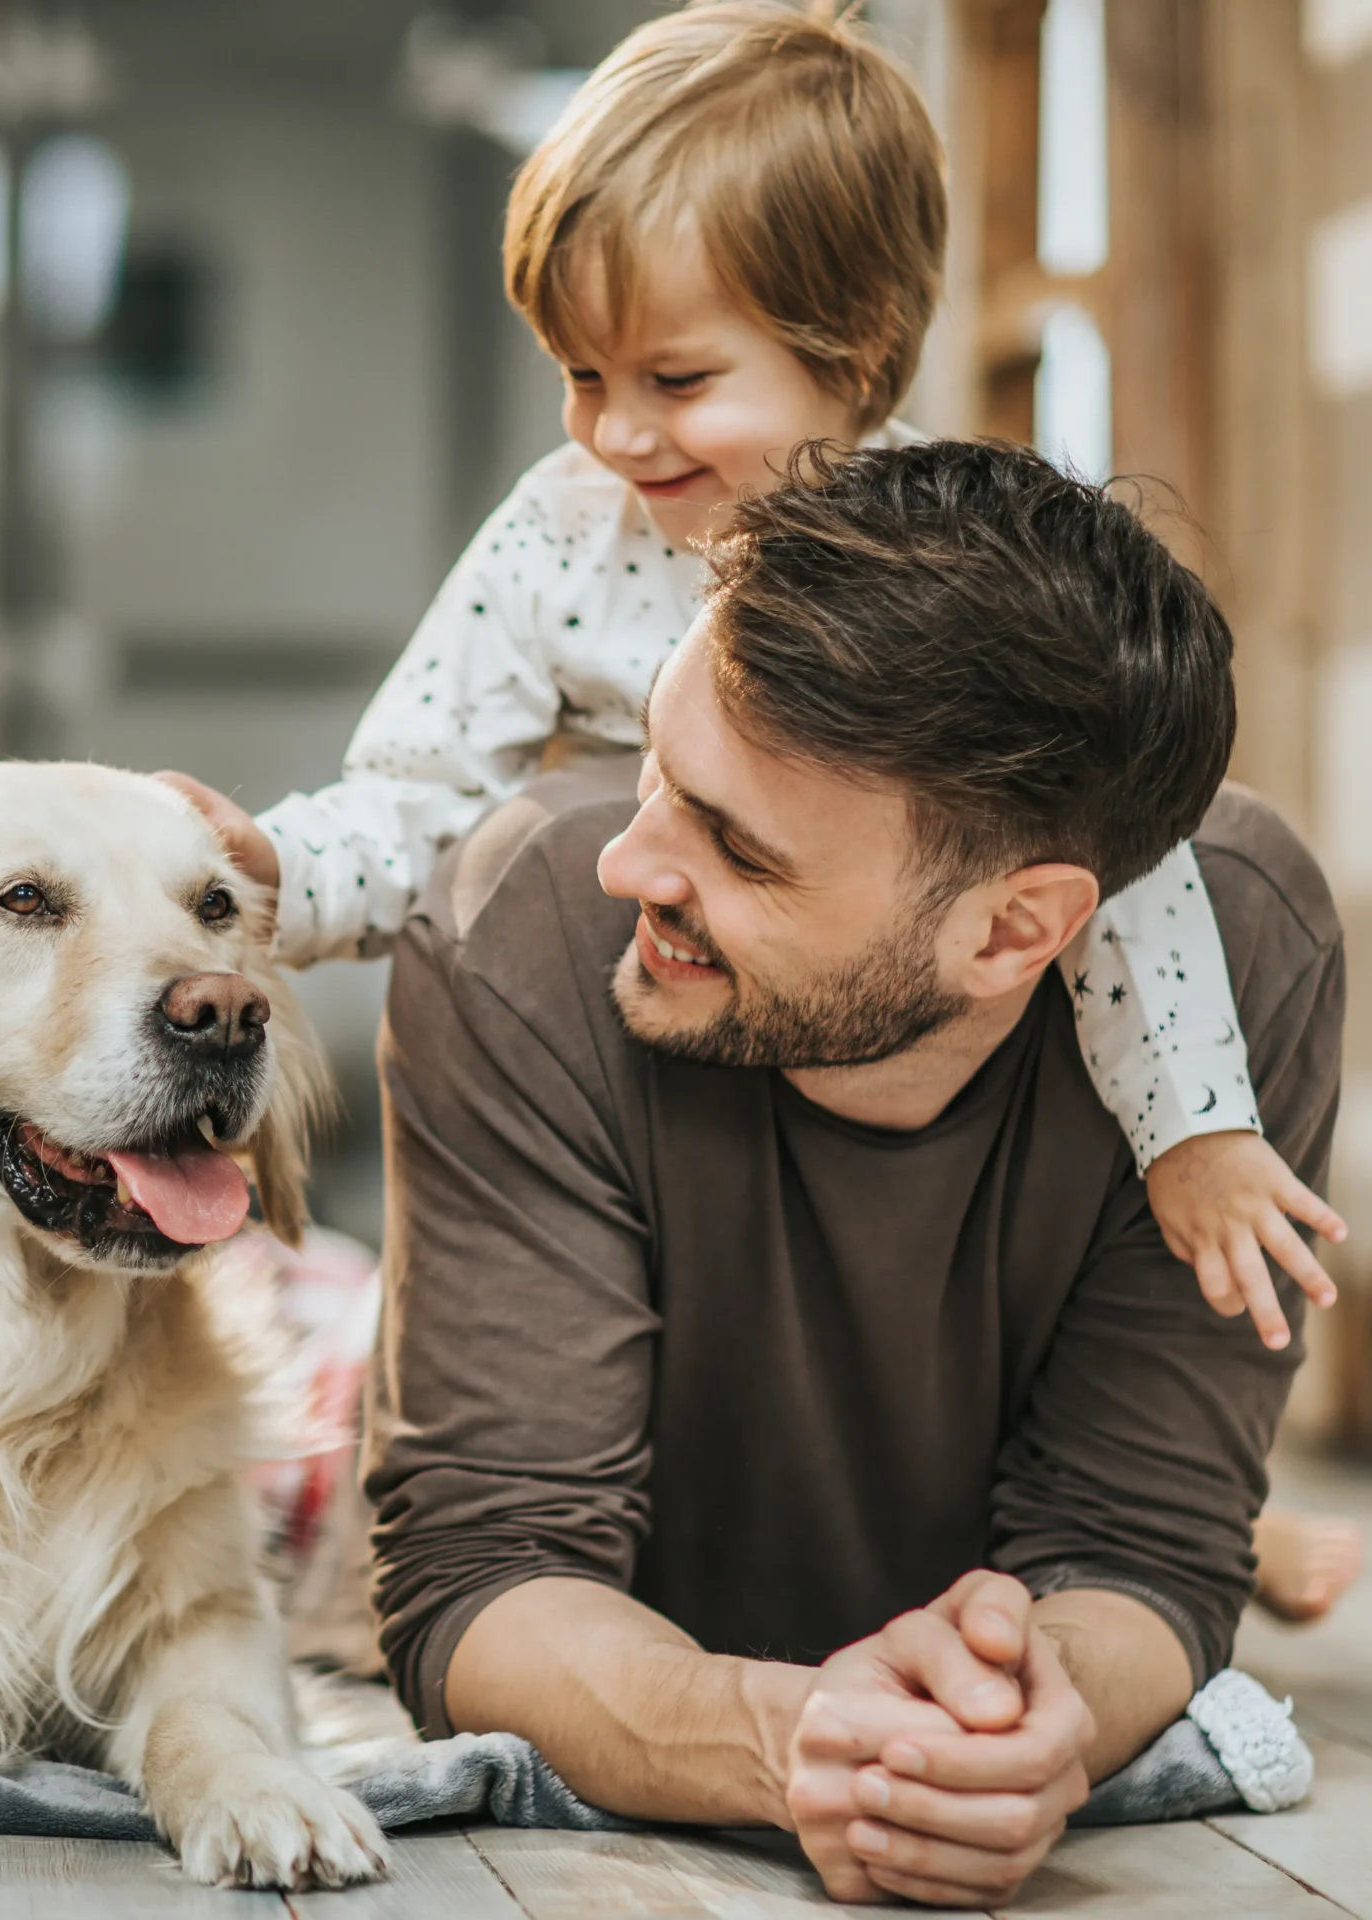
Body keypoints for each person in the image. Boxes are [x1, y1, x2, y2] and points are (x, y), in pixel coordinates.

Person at [159, 0, 1350, 1369]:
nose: (615, 430)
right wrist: (277, 873)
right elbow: (418, 793)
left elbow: (1111, 857)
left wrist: (1194, 1125)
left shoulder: (941, 567)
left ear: (850, 348)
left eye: (675, 377)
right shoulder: (564, 532)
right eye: (579, 373)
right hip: (663, 1080)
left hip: (895, 1077)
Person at [363, 438, 1341, 1907]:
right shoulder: (525, 931)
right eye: (655, 766)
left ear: (1018, 933)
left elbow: (1141, 1546)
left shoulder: (1247, 955)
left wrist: (1035, 1719)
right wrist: (791, 1737)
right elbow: (482, 1570)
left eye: (738, 853)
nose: (632, 865)